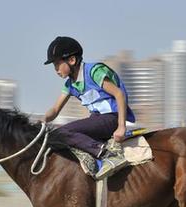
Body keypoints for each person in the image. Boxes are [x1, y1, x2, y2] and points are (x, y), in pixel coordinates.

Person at [42, 36, 136, 180]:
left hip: (112, 118)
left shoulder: (94, 71)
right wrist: (42, 120)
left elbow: (119, 94)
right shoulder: (70, 85)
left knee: (62, 132)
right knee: (58, 135)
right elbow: (55, 110)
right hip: (97, 120)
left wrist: (121, 127)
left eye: (57, 64)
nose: (56, 70)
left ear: (72, 60)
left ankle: (107, 154)